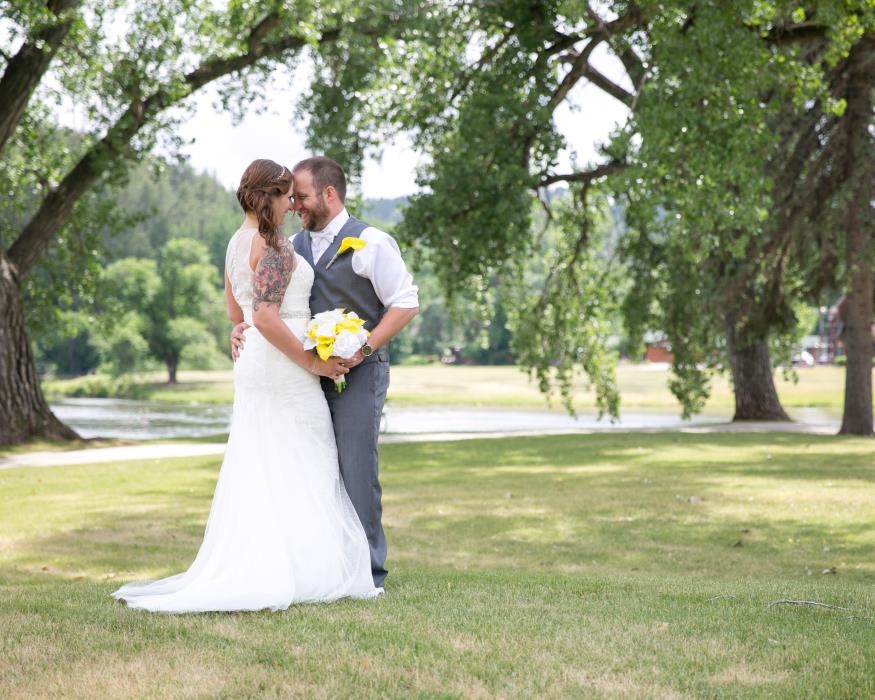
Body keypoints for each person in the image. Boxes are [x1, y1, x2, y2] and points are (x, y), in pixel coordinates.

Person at [113, 159, 380, 612]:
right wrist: (312, 363)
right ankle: (306, 569)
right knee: (308, 452)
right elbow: (265, 317)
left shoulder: (234, 245)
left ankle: (282, 562)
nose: (291, 206)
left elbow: (239, 317)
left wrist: (239, 331)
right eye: (286, 197)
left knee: (263, 458)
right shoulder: (274, 248)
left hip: (256, 363)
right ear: (269, 198)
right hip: (283, 364)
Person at [232, 156, 419, 588]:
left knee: (356, 470)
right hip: (303, 372)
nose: (294, 203)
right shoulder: (289, 245)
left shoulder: (371, 241)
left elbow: (406, 302)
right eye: (290, 197)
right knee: (312, 468)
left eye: (302, 196)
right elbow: (265, 302)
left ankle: (368, 573)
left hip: (360, 372)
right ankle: (322, 566)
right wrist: (240, 325)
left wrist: (364, 347)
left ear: (329, 194)